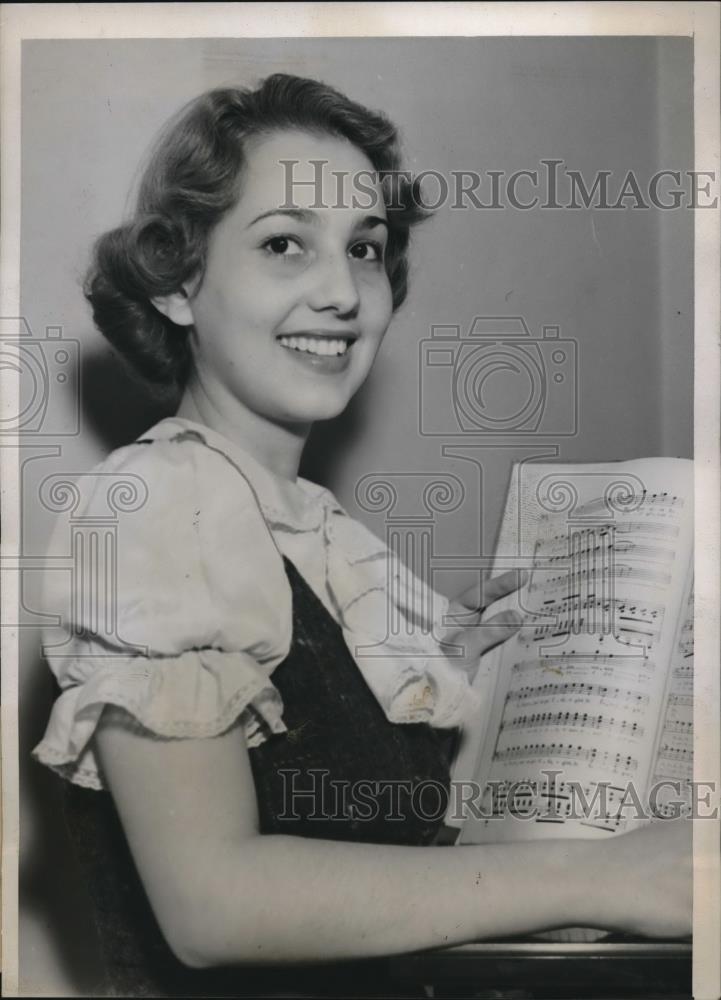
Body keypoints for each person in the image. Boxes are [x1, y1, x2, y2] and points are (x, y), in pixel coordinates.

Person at [33, 74, 691, 997]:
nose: (343, 292)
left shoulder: (318, 536)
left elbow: (367, 838)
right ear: (181, 283)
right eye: (283, 245)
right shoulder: (149, 503)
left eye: (365, 248)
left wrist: (471, 678)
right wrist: (612, 875)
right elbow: (213, 905)